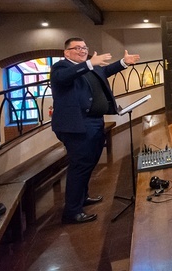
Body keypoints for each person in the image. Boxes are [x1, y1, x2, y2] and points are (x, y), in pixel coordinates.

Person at [50, 38, 140, 224]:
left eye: (85, 47)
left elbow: (105, 70)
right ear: (67, 52)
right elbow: (65, 78)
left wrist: (124, 63)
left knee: (89, 163)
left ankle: (82, 198)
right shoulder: (61, 68)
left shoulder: (89, 67)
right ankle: (72, 212)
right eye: (77, 48)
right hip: (77, 126)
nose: (83, 50)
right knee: (80, 165)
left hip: (94, 122)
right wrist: (90, 63)